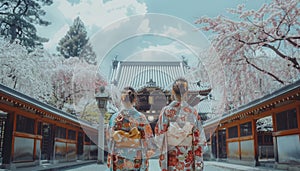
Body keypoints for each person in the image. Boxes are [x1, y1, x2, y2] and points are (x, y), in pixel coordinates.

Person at [155, 78, 207, 171]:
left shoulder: (166, 111)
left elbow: (159, 136)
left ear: (172, 92)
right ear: (187, 92)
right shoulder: (193, 112)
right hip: (188, 157)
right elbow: (199, 138)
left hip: (172, 156)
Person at [106, 87, 155, 171]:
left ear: (121, 99)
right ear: (135, 99)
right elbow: (149, 138)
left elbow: (109, 138)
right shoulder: (141, 117)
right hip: (136, 155)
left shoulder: (115, 117)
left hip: (119, 155)